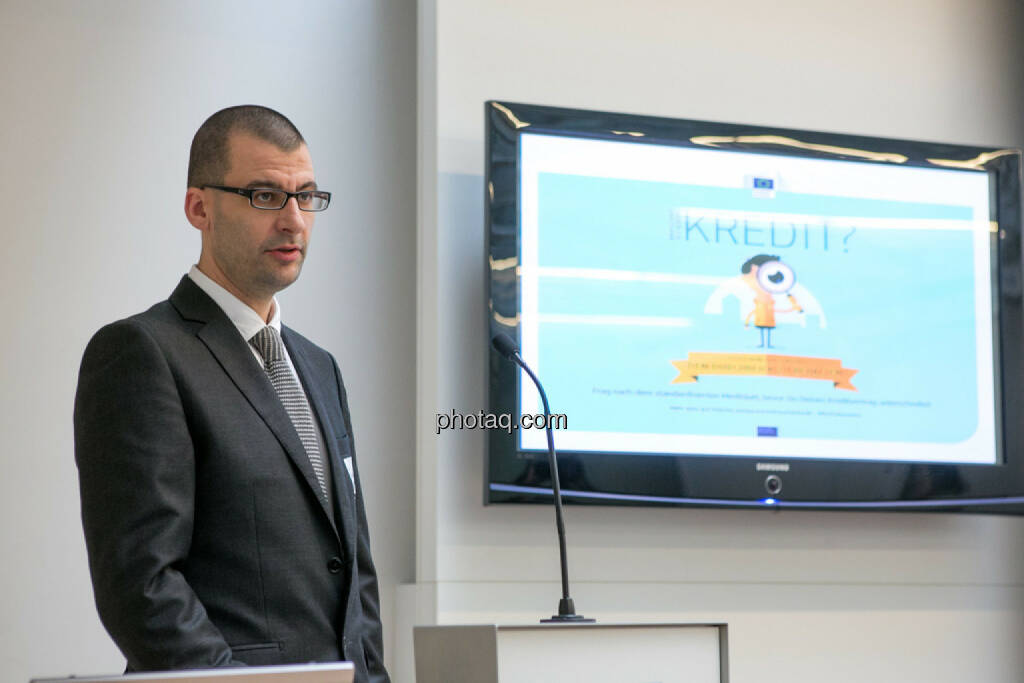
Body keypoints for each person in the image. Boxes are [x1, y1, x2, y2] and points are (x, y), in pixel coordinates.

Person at [73, 105, 390, 683]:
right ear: (200, 207)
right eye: (265, 196)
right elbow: (142, 585)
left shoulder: (320, 368)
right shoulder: (141, 354)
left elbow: (356, 577)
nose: (293, 221)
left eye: (307, 196)